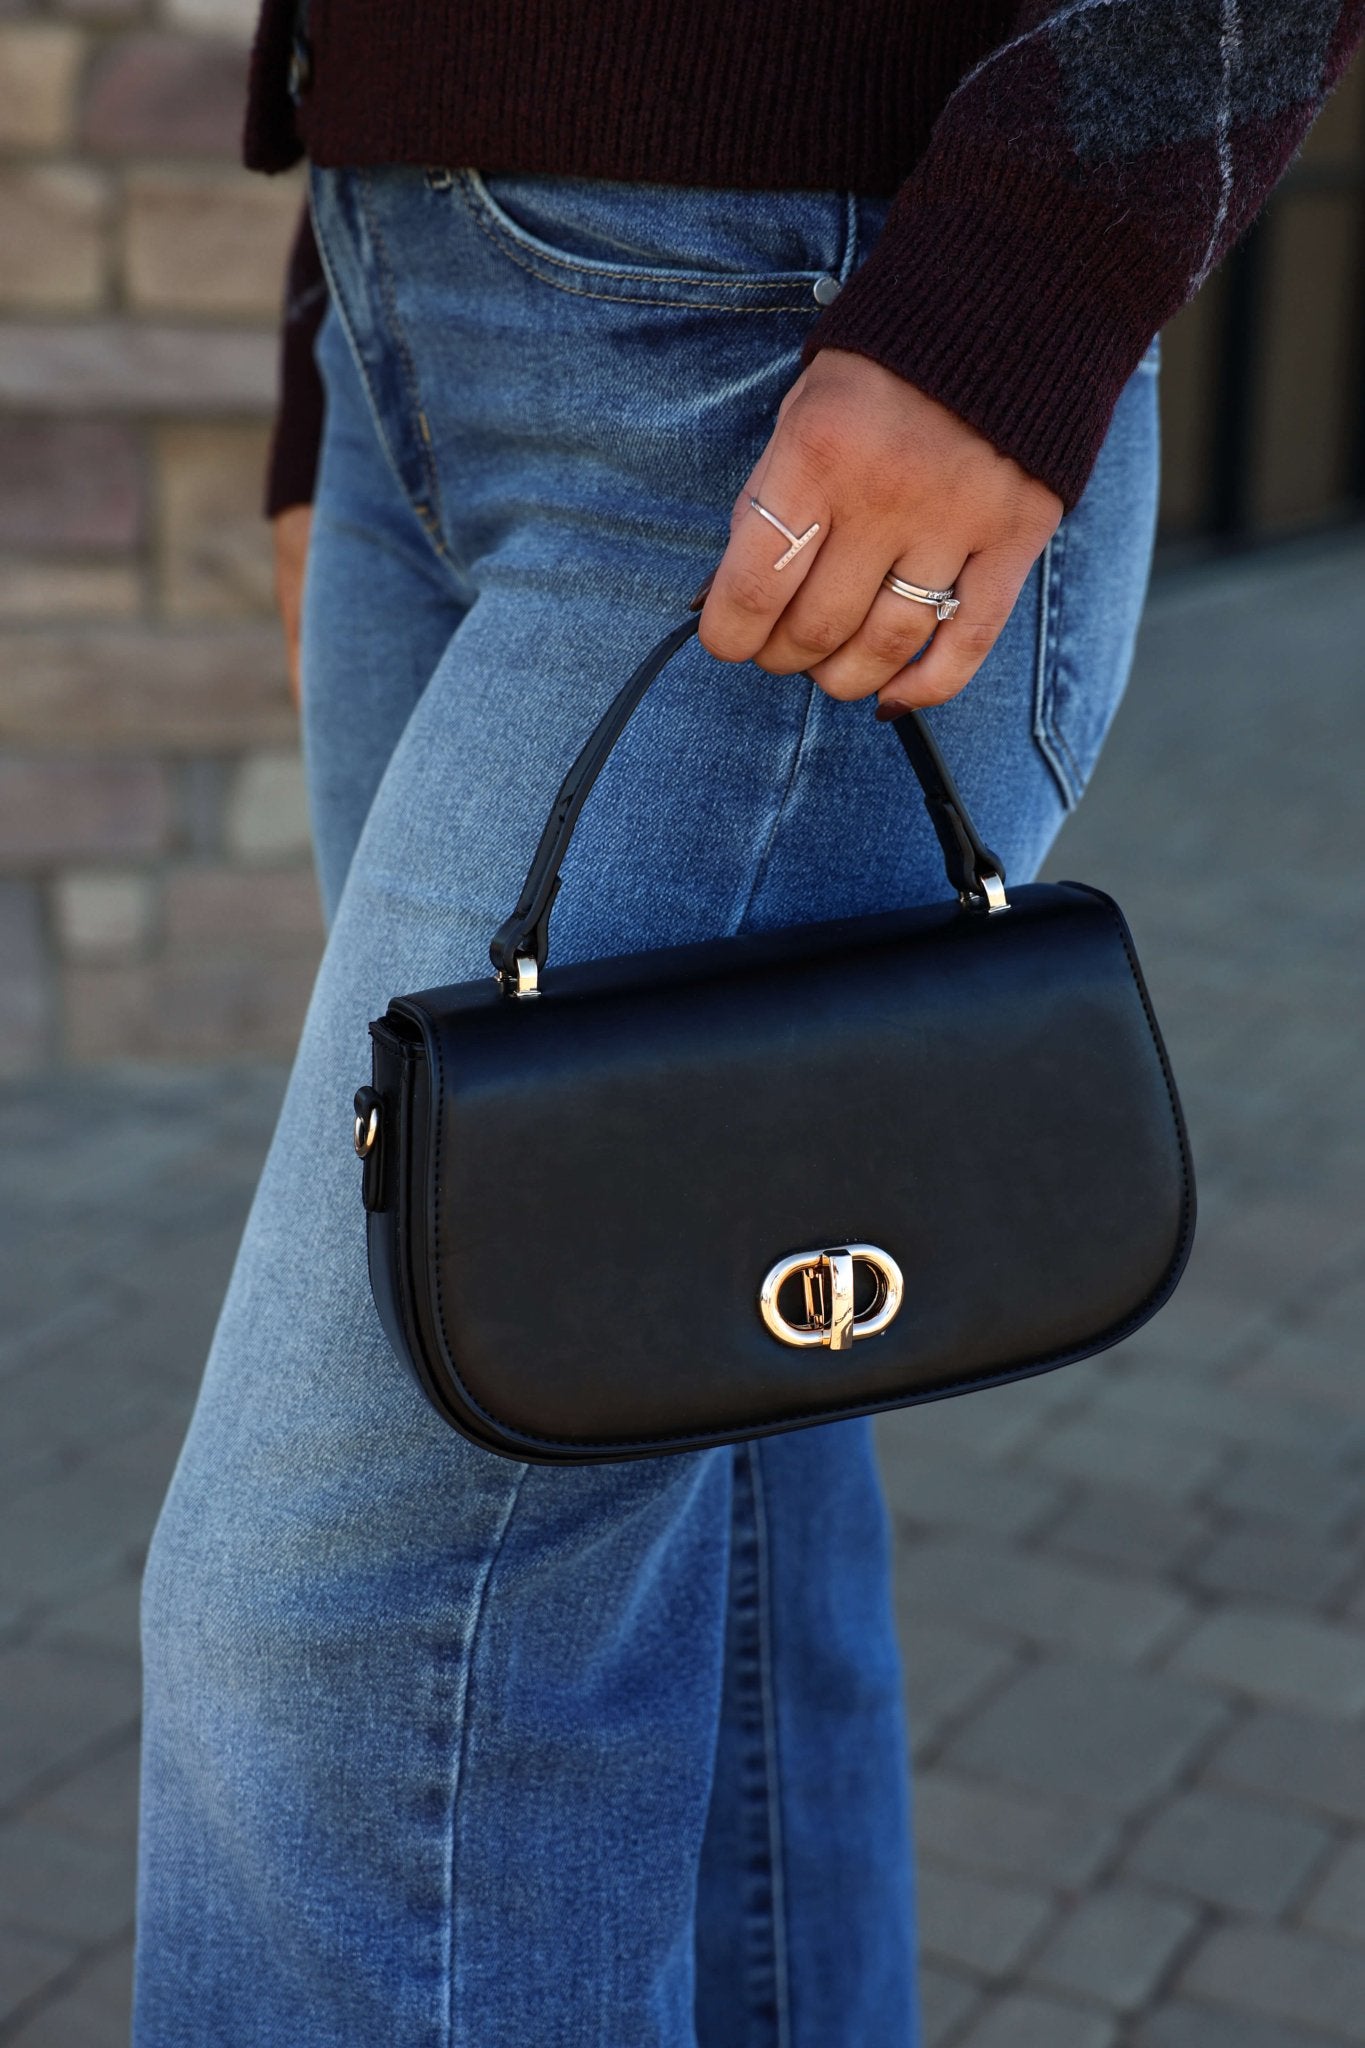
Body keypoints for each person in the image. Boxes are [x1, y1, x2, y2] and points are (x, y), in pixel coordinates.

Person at [134, 6, 1364, 2043]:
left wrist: (1034, 273)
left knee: (342, 1625)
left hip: (788, 383)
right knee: (660, 1434)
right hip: (404, 345)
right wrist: (324, 342)